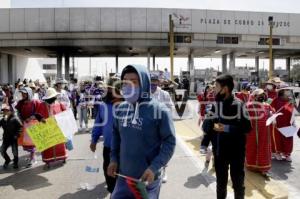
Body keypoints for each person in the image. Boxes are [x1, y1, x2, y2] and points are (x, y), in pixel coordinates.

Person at [107, 65, 176, 199]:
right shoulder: (120, 109)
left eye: (134, 82)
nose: (128, 86)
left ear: (144, 83)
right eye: (125, 82)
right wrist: (113, 159)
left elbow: (170, 141)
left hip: (147, 181)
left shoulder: (160, 110)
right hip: (123, 178)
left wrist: (154, 167)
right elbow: (116, 135)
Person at [203, 74, 252, 199]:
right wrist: (207, 118)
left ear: (225, 89)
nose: (214, 89)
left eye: (217, 86)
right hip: (219, 152)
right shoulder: (215, 105)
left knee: (238, 183)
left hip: (236, 152)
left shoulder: (239, 105)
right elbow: (208, 128)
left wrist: (226, 128)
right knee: (221, 184)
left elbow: (247, 128)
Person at [90, 78, 122, 194]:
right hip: (108, 146)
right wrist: (94, 140)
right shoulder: (103, 105)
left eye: (111, 88)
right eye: (108, 88)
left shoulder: (128, 104)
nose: (108, 90)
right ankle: (112, 192)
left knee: (122, 175)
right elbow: (98, 123)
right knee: (108, 172)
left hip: (124, 149)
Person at [150, 73, 174, 184]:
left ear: (158, 82)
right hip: (150, 127)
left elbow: (171, 108)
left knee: (163, 150)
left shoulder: (164, 94)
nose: (153, 84)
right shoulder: (145, 94)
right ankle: (152, 170)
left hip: (162, 126)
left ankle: (164, 171)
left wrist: (164, 116)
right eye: (151, 81)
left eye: (155, 81)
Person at [245, 89, 274, 176]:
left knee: (264, 149)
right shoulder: (249, 106)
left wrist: (272, 115)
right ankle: (252, 166)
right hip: (253, 133)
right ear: (254, 96)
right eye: (260, 95)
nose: (262, 96)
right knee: (252, 148)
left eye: (263, 95)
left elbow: (271, 113)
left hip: (265, 133)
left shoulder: (267, 106)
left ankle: (264, 168)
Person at [15, 87, 42, 167]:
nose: (23, 95)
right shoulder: (20, 102)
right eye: (22, 93)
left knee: (32, 142)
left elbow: (39, 112)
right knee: (27, 143)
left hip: (33, 124)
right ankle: (32, 156)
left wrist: (31, 118)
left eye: (24, 93)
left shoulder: (35, 102)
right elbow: (17, 111)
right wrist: (19, 118)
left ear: (29, 93)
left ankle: (32, 158)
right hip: (24, 125)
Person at [270, 87, 298, 162]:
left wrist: (294, 122)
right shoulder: (276, 100)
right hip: (278, 123)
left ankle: (287, 154)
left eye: (289, 90)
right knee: (278, 139)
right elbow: (271, 109)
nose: (288, 92)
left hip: (288, 123)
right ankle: (278, 153)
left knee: (288, 140)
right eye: (287, 90)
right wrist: (274, 118)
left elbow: (295, 111)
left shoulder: (291, 100)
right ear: (282, 92)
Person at [0, 104, 23, 169]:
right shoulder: (2, 120)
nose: (5, 112)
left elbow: (20, 127)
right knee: (2, 150)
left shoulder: (15, 118)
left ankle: (15, 162)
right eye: (4, 111)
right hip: (6, 138)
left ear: (10, 111)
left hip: (13, 138)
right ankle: (7, 160)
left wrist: (17, 135)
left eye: (6, 111)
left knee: (14, 151)